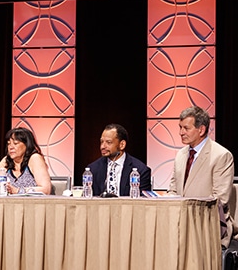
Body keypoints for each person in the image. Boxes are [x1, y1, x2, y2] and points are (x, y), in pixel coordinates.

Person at [167, 106, 235, 249]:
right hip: (180, 222)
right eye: (180, 127)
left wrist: (189, 214)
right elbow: (173, 190)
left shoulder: (221, 156)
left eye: (186, 128)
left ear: (201, 130)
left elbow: (220, 199)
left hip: (209, 223)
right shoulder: (180, 155)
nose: (180, 132)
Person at [86, 123, 151, 197]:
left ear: (122, 145)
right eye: (101, 142)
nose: (102, 146)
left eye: (108, 142)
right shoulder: (93, 169)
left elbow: (144, 202)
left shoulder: (141, 170)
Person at [0, 127, 52, 195]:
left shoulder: (35, 158)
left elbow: (45, 189)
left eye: (15, 143)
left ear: (26, 145)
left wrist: (17, 191)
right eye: (9, 143)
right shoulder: (6, 160)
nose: (11, 147)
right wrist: (2, 190)